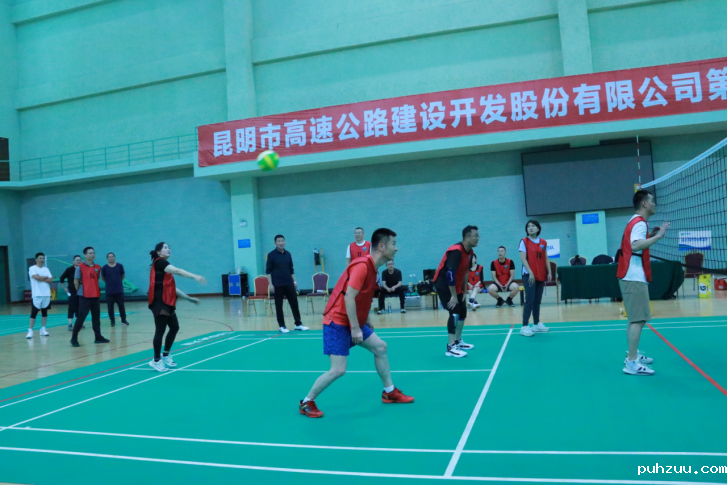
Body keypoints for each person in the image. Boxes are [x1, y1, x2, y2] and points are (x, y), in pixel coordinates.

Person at [299, 228, 414, 418]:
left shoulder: (374, 269)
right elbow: (349, 296)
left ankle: (389, 391)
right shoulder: (362, 266)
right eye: (393, 244)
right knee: (338, 370)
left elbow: (363, 296)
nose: (396, 248)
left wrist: (365, 318)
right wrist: (355, 327)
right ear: (381, 246)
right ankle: (306, 402)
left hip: (353, 320)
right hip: (337, 322)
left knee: (380, 348)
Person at [618, 190, 669, 376]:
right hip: (633, 276)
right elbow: (635, 245)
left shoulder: (635, 221)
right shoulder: (640, 222)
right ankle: (632, 362)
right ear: (645, 204)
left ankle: (633, 354)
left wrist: (650, 236)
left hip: (630, 274)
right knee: (638, 320)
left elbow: (636, 243)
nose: (654, 204)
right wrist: (659, 235)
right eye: (652, 201)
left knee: (634, 319)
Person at [148, 242, 207, 372]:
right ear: (158, 252)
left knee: (174, 327)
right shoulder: (160, 262)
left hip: (167, 301)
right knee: (160, 331)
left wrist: (188, 298)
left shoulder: (165, 267)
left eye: (169, 247)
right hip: (159, 302)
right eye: (165, 248)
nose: (168, 249)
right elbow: (178, 271)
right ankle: (156, 360)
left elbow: (172, 288)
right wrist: (195, 276)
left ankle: (165, 355)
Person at [433, 225, 479, 357]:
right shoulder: (456, 252)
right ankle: (451, 346)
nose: (478, 238)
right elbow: (449, 275)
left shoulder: (469, 252)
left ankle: (458, 341)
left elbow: (466, 271)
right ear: (467, 237)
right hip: (444, 285)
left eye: (478, 236)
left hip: (456, 285)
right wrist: (454, 296)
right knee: (454, 313)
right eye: (475, 236)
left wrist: (464, 290)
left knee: (462, 311)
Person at [266, 235, 309, 333]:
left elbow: (291, 269)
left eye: (282, 241)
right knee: (279, 306)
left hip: (289, 283)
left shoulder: (288, 254)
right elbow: (268, 271)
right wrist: (271, 284)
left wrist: (294, 281)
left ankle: (298, 324)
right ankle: (282, 326)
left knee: (294, 303)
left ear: (284, 242)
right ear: (275, 243)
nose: (281, 243)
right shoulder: (271, 255)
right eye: (278, 241)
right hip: (277, 284)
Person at [70, 247, 109, 347]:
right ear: (85, 255)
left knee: (96, 317)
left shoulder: (98, 267)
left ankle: (98, 337)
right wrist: (79, 291)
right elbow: (76, 281)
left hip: (95, 295)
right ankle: (74, 338)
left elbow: (96, 279)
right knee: (81, 317)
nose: (92, 254)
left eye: (93, 253)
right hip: (84, 295)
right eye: (90, 253)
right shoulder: (80, 267)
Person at [519, 220, 552, 337]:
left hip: (540, 274)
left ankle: (536, 324)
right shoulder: (524, 241)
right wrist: (530, 273)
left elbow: (546, 258)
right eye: (528, 226)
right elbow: (523, 258)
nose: (530, 228)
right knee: (530, 299)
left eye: (533, 226)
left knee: (537, 300)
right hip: (529, 275)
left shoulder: (543, 242)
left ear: (538, 228)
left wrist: (549, 272)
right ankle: (524, 326)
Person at [27, 252, 53, 339]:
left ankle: (43, 329)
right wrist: (45, 277)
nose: (42, 260)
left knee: (44, 312)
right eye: (40, 258)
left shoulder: (46, 269)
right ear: (36, 259)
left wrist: (41, 278)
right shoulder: (32, 268)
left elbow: (51, 280)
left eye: (43, 258)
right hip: (37, 294)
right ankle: (30, 330)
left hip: (46, 294)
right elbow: (36, 278)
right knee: (34, 312)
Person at [101, 252, 129, 327]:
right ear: (107, 259)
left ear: (114, 257)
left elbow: (123, 276)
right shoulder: (104, 268)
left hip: (119, 290)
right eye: (109, 257)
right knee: (110, 307)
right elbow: (103, 278)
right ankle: (112, 321)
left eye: (112, 256)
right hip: (109, 291)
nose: (111, 258)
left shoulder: (120, 266)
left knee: (121, 306)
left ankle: (124, 320)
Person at [60, 255, 82, 331]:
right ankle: (70, 324)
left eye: (79, 260)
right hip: (72, 291)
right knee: (71, 307)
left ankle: (78, 323)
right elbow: (62, 278)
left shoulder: (82, 269)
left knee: (79, 307)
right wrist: (65, 288)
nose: (78, 261)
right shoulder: (69, 270)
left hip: (80, 291)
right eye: (77, 260)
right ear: (73, 261)